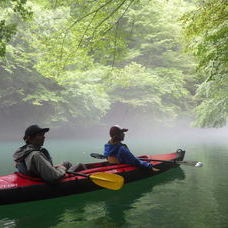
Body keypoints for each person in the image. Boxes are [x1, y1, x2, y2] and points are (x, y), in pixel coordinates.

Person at [13, 125, 86, 183]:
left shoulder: (22, 152)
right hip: (52, 179)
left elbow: (34, 167)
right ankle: (84, 182)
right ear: (30, 138)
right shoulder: (36, 155)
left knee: (66, 163)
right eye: (40, 135)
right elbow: (53, 177)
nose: (44, 137)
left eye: (43, 134)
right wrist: (61, 168)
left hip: (35, 175)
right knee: (80, 165)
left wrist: (53, 167)